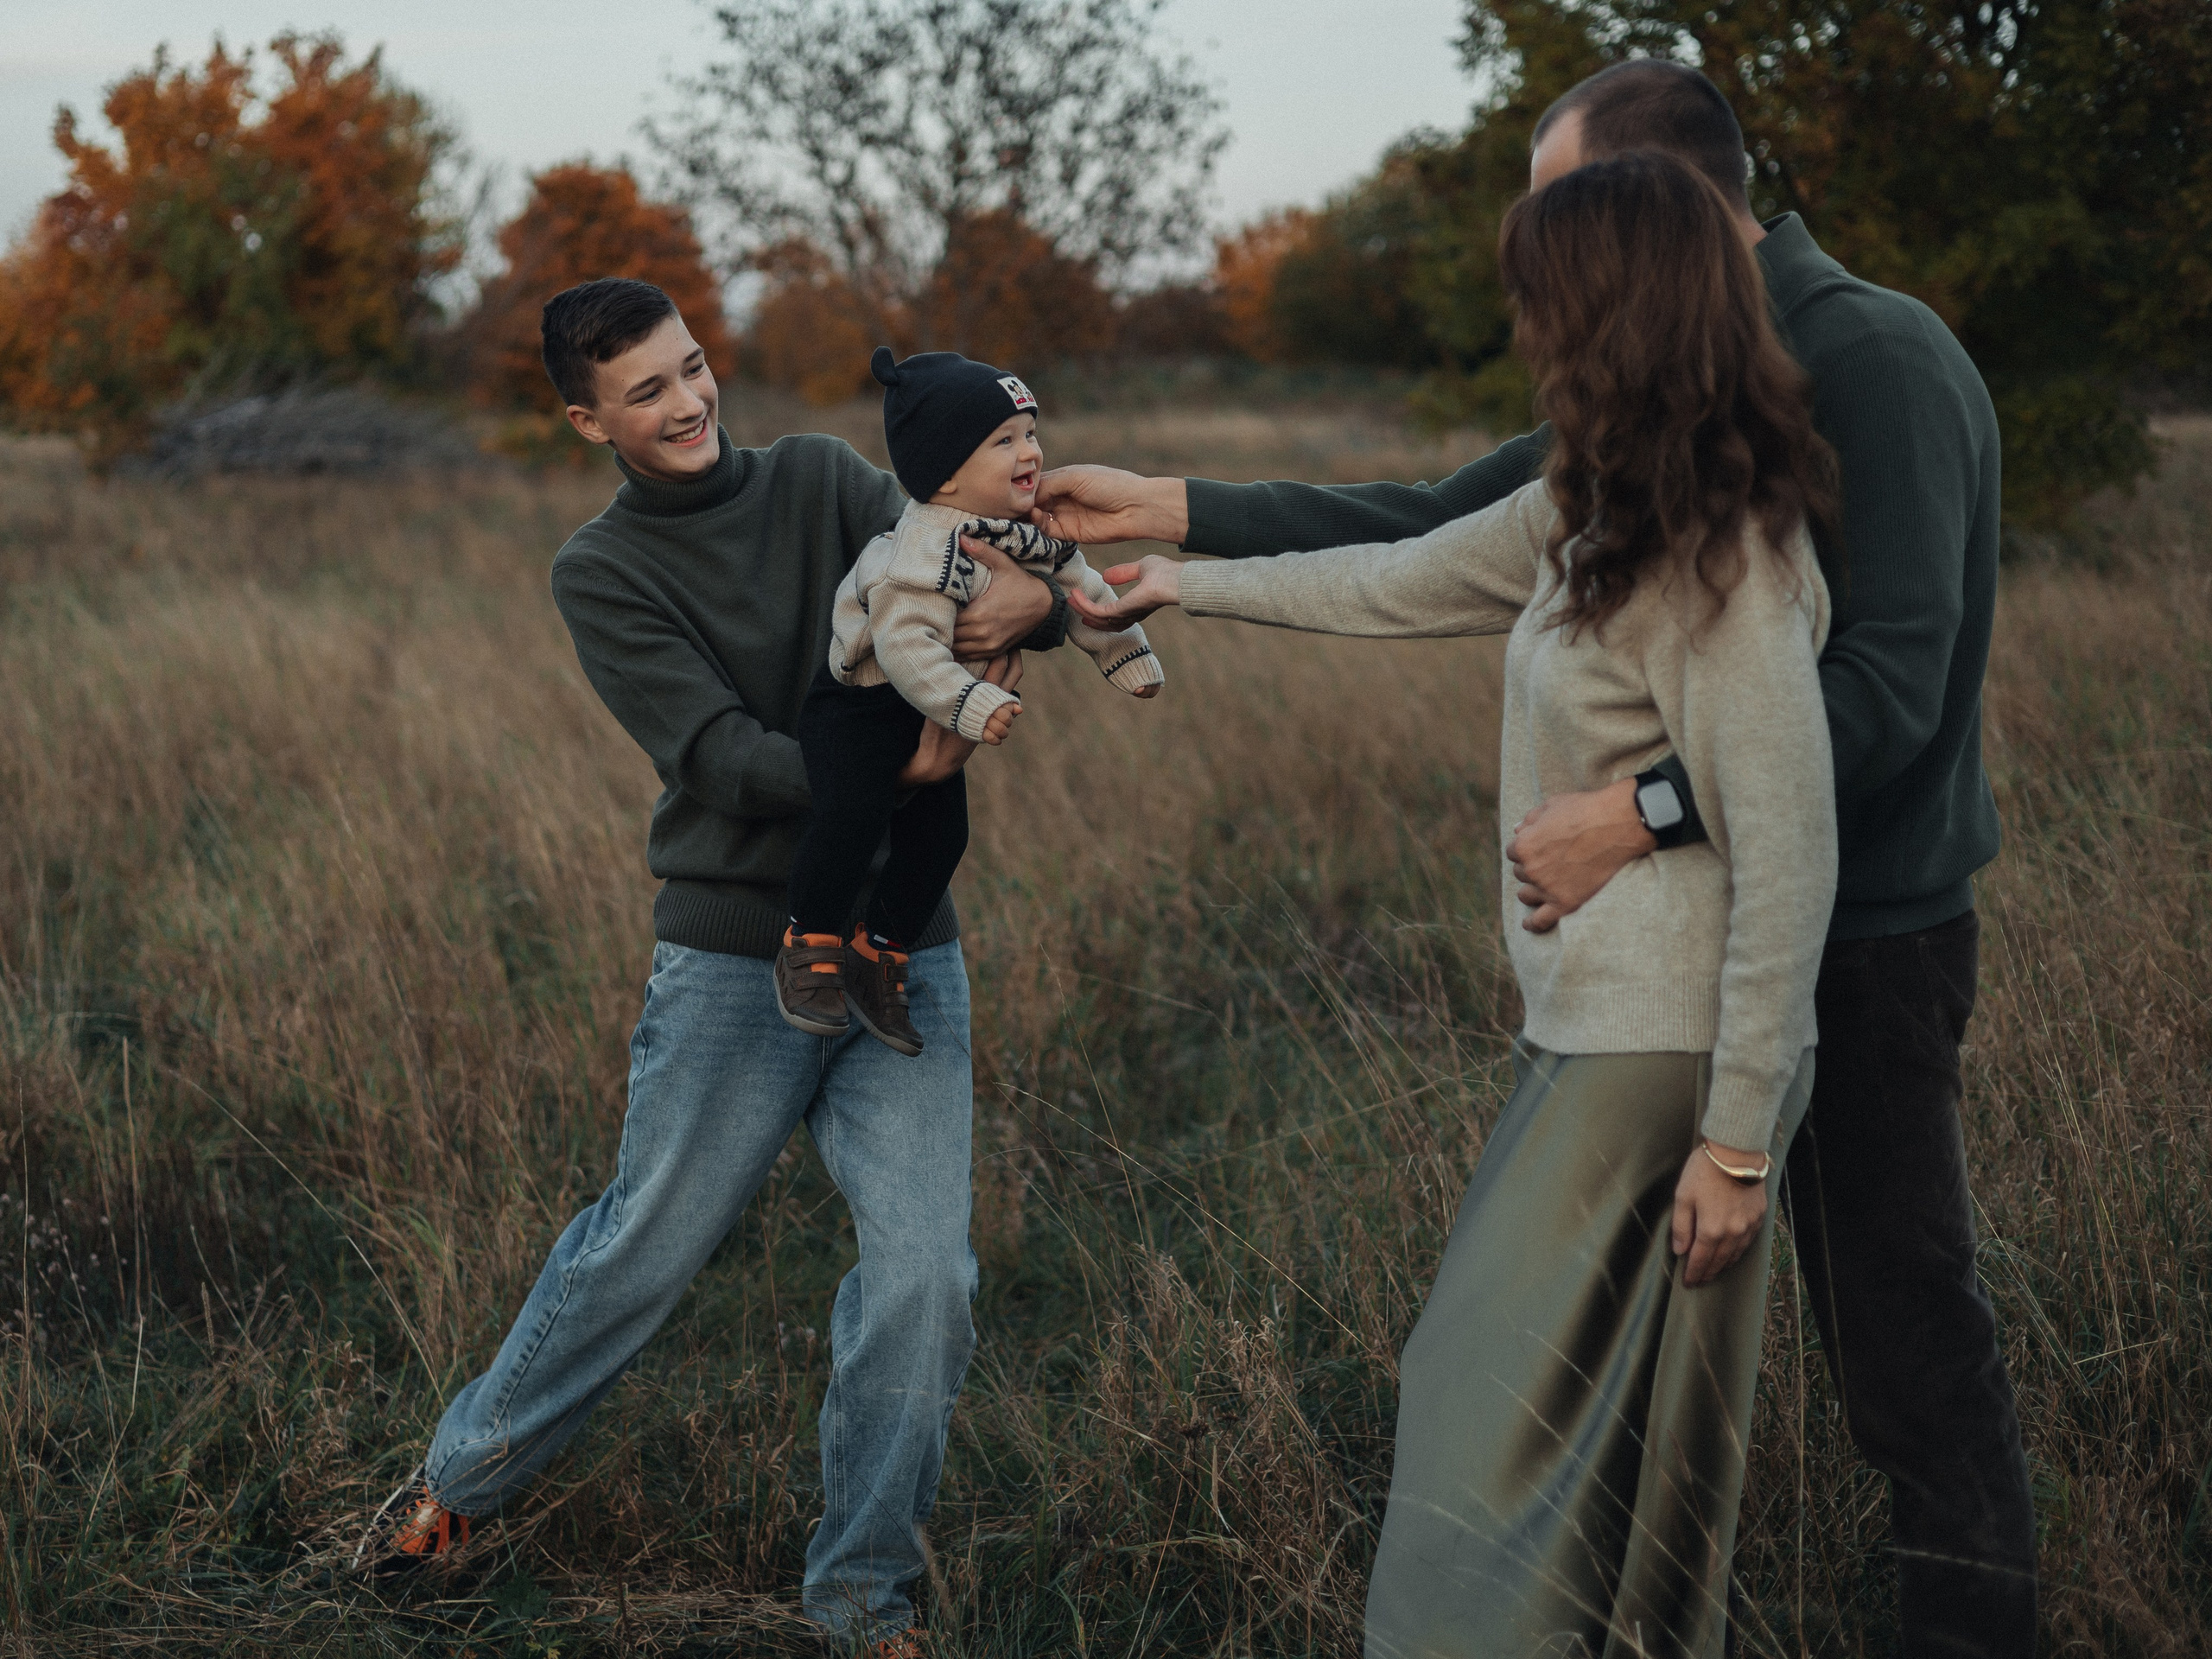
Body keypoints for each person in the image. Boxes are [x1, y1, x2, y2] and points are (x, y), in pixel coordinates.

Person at [1038, 60, 2032, 1656]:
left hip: (1859, 935)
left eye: (1555, 219)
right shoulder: (1655, 427)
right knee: (1657, 1388)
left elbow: (1882, 701)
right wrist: (1176, 537)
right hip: (1681, 966)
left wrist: (1633, 815)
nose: (1531, 270)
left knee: (1901, 1338)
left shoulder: (1873, 361)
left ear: (1658, 212)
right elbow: (1439, 534)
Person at [352, 277, 1068, 1659]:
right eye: (644, 393)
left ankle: (865, 1600)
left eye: (690, 370)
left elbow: (970, 564)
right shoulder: (602, 569)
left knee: (930, 1281)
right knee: (641, 1251)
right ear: (587, 419)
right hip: (739, 959)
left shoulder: (819, 478)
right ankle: (455, 1485)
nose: (685, 405)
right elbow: (718, 757)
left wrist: (1028, 611)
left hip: (904, 949)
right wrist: (898, 757)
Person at [779, 346, 1162, 1053]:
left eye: (1032, 433)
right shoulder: (921, 553)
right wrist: (971, 702)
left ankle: (878, 954)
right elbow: (905, 648)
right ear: (947, 472)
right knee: (851, 815)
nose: (1031, 453)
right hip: (860, 706)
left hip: (933, 705)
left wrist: (1123, 651)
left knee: (943, 836)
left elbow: (1082, 589)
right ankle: (812, 939)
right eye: (1005, 441)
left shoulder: (1022, 528)